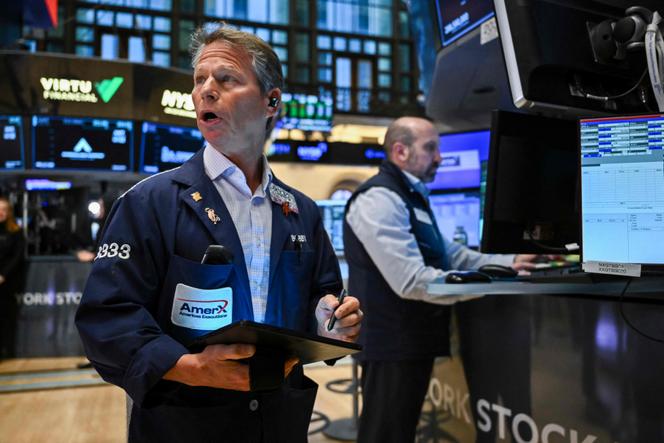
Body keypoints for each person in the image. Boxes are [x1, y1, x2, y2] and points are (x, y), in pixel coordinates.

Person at [75, 23, 362, 443]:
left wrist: (330, 323)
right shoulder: (149, 202)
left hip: (279, 424)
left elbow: (320, 299)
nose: (206, 91)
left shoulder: (301, 211)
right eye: (199, 80)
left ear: (271, 101)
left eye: (226, 79)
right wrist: (191, 368)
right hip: (184, 426)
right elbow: (107, 319)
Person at [343, 116, 541, 443]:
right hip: (391, 345)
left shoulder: (410, 197)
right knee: (386, 435)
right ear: (400, 151)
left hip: (411, 343)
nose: (439, 157)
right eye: (430, 148)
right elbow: (411, 280)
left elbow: (451, 253)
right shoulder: (379, 199)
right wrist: (484, 284)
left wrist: (509, 263)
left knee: (400, 433)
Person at [0, 197, 25, 359]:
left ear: (9, 212)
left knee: (5, 318)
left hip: (7, 282)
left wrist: (3, 274)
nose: (0, 213)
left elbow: (17, 257)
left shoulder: (16, 232)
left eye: (4, 209)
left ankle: (6, 352)